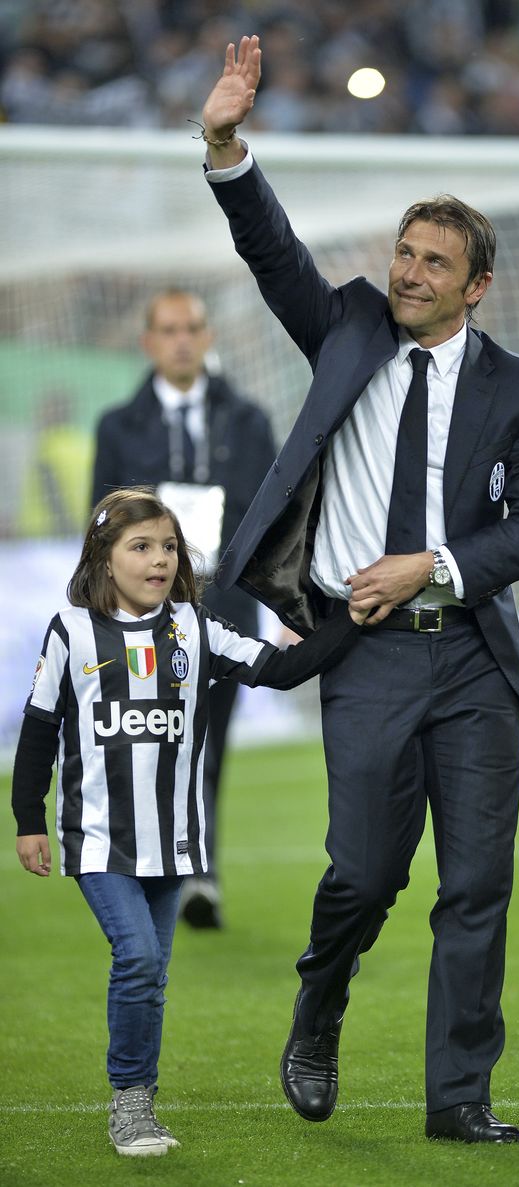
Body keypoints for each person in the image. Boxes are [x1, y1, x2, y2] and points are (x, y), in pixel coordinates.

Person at [197, 35, 519, 1144]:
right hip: (359, 650)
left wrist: (440, 562)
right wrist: (225, 147)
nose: (408, 273)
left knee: (475, 887)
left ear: (477, 284)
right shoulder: (349, 324)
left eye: (432, 263)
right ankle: (319, 1003)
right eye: (404, 253)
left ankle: (460, 1098)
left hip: (469, 655)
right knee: (361, 872)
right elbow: (274, 255)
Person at [11, 487, 363, 1158]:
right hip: (99, 841)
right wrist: (29, 817)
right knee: (137, 957)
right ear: (103, 557)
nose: (159, 559)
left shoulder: (196, 628)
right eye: (140, 546)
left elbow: (283, 669)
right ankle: (131, 1104)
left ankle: (138, 1096)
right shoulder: (71, 632)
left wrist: (353, 619)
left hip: (176, 844)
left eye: (168, 546)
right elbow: (39, 730)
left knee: (153, 971)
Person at [92, 289, 277, 929]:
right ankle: (150, 870)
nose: (180, 340)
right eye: (168, 329)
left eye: (192, 328)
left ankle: (201, 871)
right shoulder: (117, 428)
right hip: (137, 621)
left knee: (207, 745)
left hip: (219, 615)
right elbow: (101, 527)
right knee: (144, 746)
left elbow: (266, 522)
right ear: (148, 341)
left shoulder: (249, 422)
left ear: (208, 336)